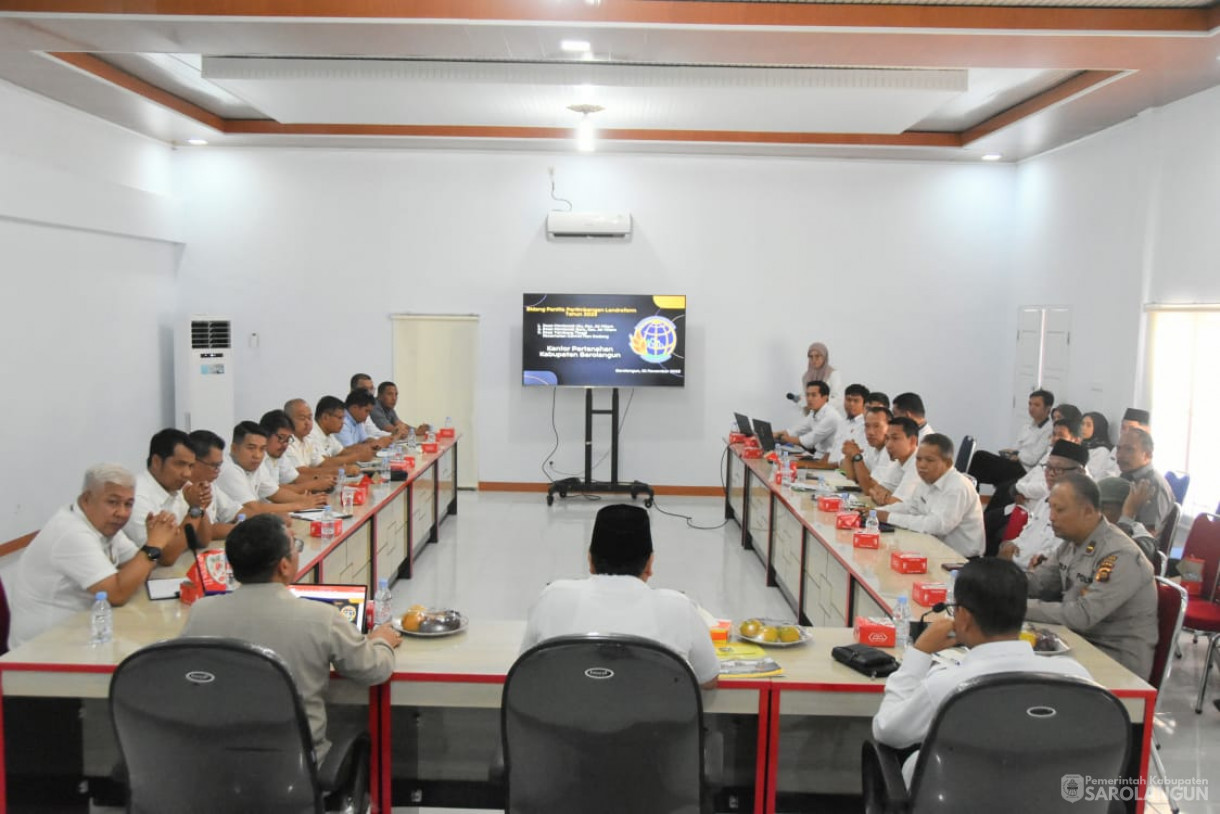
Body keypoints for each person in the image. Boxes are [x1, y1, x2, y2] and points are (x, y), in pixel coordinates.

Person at [181, 514, 402, 761]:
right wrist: (382, 640)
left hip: (217, 763)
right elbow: (374, 670)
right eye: (295, 547)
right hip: (295, 768)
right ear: (284, 566)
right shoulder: (320, 617)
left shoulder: (201, 613)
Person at [872, 558, 1090, 785]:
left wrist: (918, 653)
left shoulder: (947, 685)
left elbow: (888, 731)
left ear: (963, 617)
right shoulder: (1075, 676)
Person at [520, 503, 719, 688]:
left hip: (565, 723)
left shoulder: (553, 598)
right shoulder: (678, 608)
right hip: (652, 724)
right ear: (649, 565)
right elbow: (709, 680)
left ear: (590, 560)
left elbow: (524, 669)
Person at [8, 464, 183, 649]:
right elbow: (116, 594)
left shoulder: (104, 525)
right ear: (86, 499)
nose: (122, 513)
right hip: (42, 653)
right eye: (113, 502)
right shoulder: (71, 533)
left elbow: (137, 572)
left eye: (128, 504)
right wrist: (153, 545)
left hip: (84, 631)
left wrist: (152, 544)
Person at [1026, 473, 1158, 680]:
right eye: (1050, 507)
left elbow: (1082, 615)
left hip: (1114, 661)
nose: (1051, 516)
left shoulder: (1119, 554)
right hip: (1076, 642)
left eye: (1059, 510)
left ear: (1087, 511)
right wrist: (997, 583)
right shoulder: (1072, 542)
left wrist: (1017, 607)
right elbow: (1038, 584)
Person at [875, 434, 985, 557]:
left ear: (947, 463)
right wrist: (876, 512)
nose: (921, 465)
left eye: (929, 460)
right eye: (918, 459)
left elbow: (937, 525)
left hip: (960, 561)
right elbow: (911, 507)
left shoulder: (957, 487)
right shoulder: (927, 479)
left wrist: (888, 517)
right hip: (935, 549)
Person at [998, 440, 1090, 569]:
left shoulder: (1078, 513)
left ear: (1079, 472)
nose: (1050, 474)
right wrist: (1008, 544)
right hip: (1015, 568)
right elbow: (1025, 537)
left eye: (1058, 469)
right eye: (1048, 467)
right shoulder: (1045, 499)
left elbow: (1052, 559)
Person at [216, 421, 327, 516]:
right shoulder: (228, 470)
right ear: (234, 449)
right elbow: (253, 508)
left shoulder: (255, 466)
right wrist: (300, 505)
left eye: (262, 449)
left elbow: (276, 493)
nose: (257, 455)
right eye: (251, 448)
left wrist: (308, 500)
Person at [129, 428, 211, 549]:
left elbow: (202, 541)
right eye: (180, 464)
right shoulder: (136, 496)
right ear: (156, 461)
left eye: (191, 466)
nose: (187, 474)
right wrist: (194, 509)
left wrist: (200, 505)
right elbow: (164, 554)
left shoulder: (179, 488)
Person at [968, 389, 1054, 487]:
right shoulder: (1026, 426)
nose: (1031, 408)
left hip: (1024, 469)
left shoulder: (1049, 430)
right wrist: (1010, 454)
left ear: (1048, 409)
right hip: (1014, 463)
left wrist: (1018, 455)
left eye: (1036, 405)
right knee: (979, 458)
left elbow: (1033, 459)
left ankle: (970, 490)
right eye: (1030, 404)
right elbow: (1015, 448)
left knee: (981, 457)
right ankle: (971, 489)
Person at [1115, 427, 1176, 537]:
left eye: (1129, 449)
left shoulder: (1154, 486)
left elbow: (1147, 535)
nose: (1120, 455)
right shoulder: (1126, 477)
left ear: (1148, 455)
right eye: (1119, 448)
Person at [260, 409, 335, 492]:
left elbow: (295, 478)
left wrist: (319, 479)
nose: (285, 444)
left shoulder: (280, 455)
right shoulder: (258, 459)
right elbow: (274, 491)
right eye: (281, 438)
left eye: (288, 439)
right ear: (265, 434)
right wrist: (314, 484)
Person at [187, 429, 242, 540]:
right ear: (193, 461)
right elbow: (202, 533)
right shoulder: (181, 489)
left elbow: (235, 511)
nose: (218, 470)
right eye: (214, 465)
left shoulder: (209, 484)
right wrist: (246, 529)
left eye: (219, 465)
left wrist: (268, 518)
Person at [775, 380, 844, 464]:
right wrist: (772, 434)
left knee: (786, 464)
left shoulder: (831, 416)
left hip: (829, 461)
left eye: (813, 395)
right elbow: (794, 431)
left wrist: (781, 437)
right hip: (817, 456)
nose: (809, 399)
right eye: (807, 395)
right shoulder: (814, 412)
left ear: (825, 398)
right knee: (784, 460)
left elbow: (808, 441)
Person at [1096, 477, 1158, 565]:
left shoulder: (1144, 542)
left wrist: (1127, 516)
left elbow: (1114, 560)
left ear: (1124, 509)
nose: (1096, 513)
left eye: (1104, 508)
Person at [868, 417, 920, 506]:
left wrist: (886, 498)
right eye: (887, 438)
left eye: (895, 439)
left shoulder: (919, 463)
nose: (888, 445)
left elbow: (898, 504)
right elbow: (874, 489)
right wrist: (884, 497)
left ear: (912, 441)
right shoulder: (900, 460)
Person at [841, 406, 890, 492]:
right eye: (867, 426)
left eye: (876, 426)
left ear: (890, 428)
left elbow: (870, 489)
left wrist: (856, 456)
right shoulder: (872, 447)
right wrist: (849, 455)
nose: (870, 432)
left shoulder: (890, 451)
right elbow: (851, 478)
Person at [801, 342, 842, 406]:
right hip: (811, 414)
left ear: (824, 357)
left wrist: (820, 404)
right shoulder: (806, 377)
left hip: (829, 412)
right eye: (811, 357)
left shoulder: (833, 374)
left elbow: (838, 399)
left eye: (817, 356)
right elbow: (805, 398)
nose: (814, 360)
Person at [1082, 411, 1118, 479]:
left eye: (1088, 425)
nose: (1083, 428)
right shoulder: (1080, 445)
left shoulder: (1101, 450)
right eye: (1082, 424)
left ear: (1098, 428)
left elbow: (1091, 475)